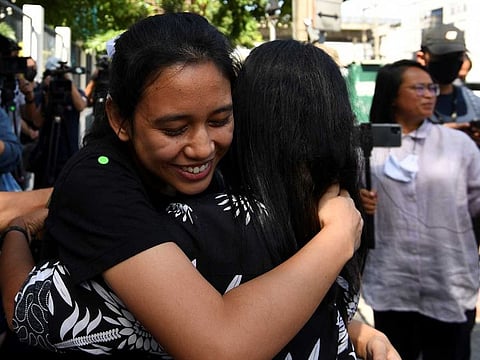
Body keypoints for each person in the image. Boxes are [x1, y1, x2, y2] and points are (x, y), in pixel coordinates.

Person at [0, 13, 400, 359]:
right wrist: (338, 238)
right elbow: (31, 310)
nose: (202, 148)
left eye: (221, 120)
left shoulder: (234, 191)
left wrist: (350, 328)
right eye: (174, 128)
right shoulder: (99, 182)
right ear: (120, 119)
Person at [359, 59, 480, 360]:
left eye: (432, 87)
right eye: (418, 88)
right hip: (392, 280)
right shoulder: (365, 147)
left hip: (448, 280)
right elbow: (346, 204)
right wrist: (359, 203)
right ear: (392, 96)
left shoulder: (457, 145)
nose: (430, 94)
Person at [20, 56, 88, 189]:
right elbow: (37, 121)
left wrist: (69, 82)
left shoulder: (74, 92)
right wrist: (47, 96)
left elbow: (81, 106)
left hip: (68, 152)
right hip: (46, 154)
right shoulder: (43, 93)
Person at [416, 23, 480, 143]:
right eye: (443, 57)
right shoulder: (406, 101)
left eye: (458, 56)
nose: (451, 63)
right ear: (422, 57)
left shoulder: (474, 105)